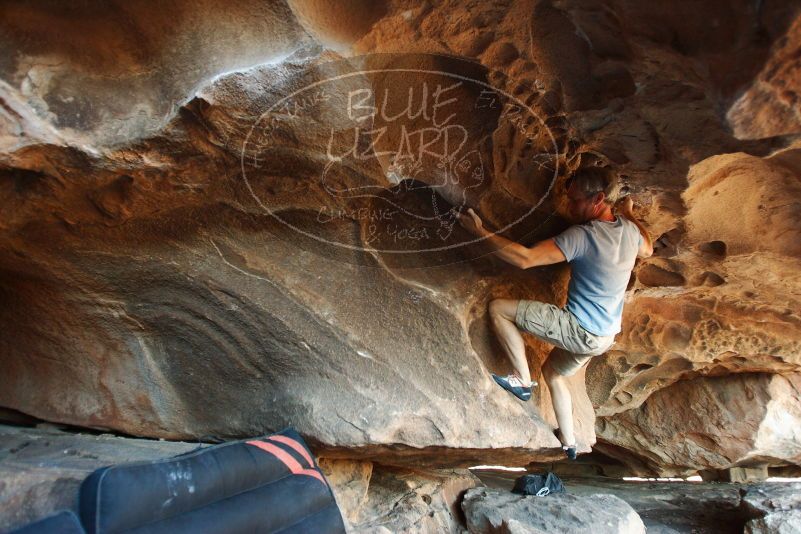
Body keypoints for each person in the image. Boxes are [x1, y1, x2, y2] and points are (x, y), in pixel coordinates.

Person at [457, 166, 653, 460]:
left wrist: (479, 232)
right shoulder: (629, 231)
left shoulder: (583, 236)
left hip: (580, 329)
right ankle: (569, 442)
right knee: (553, 373)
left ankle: (522, 381)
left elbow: (525, 259)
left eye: (575, 201)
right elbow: (648, 250)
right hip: (604, 336)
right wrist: (630, 213)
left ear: (599, 198)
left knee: (499, 309)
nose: (569, 206)